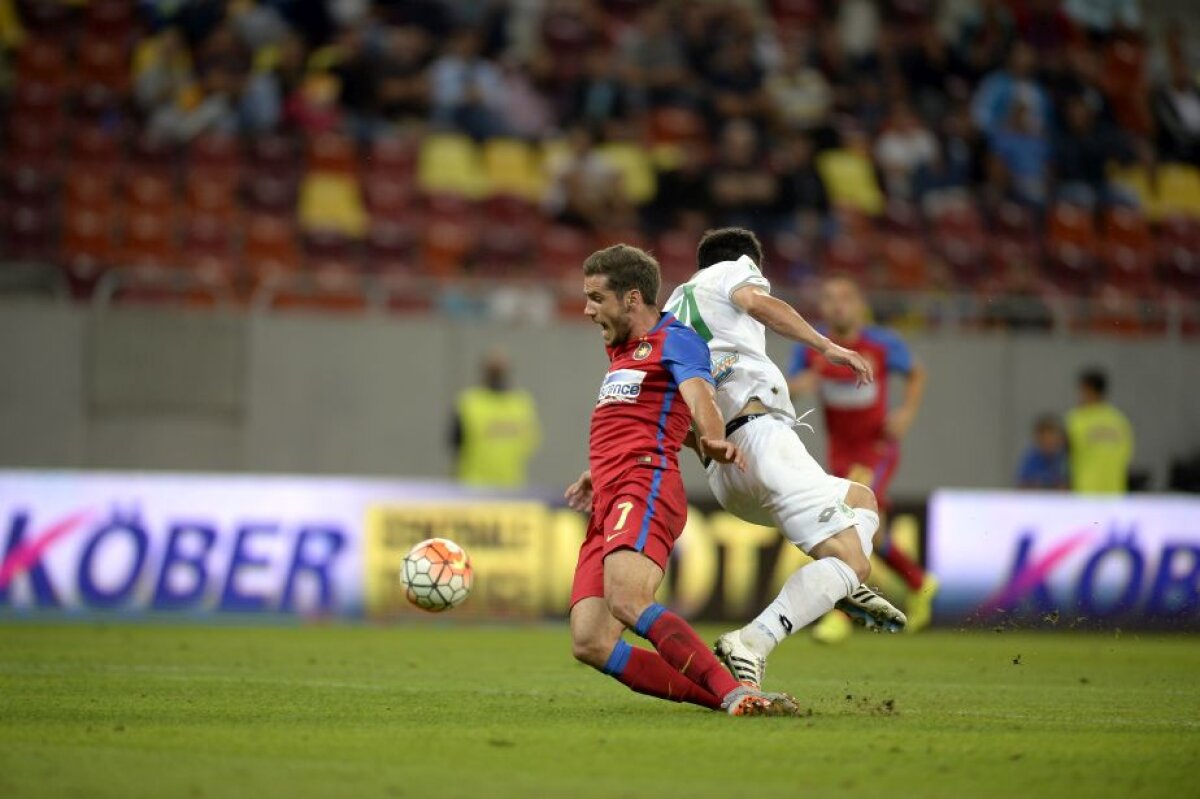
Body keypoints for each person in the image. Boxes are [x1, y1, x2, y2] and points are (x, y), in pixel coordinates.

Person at [663, 228, 907, 690]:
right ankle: (754, 640)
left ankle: (839, 589)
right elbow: (758, 304)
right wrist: (827, 346)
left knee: (862, 499)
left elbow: (676, 412)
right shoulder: (731, 270)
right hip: (762, 438)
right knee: (852, 562)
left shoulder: (670, 313)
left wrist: (710, 446)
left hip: (723, 471)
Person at [563, 244, 792, 717]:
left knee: (628, 600)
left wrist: (711, 438)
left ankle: (734, 692)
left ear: (631, 298)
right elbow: (635, 414)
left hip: (643, 485)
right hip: (610, 491)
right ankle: (732, 698)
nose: (587, 310)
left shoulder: (677, 338)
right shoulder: (621, 347)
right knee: (590, 641)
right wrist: (597, 470)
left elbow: (697, 395)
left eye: (595, 298)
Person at [788, 274, 937, 636]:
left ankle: (842, 615)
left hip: (876, 447)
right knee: (874, 534)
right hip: (839, 453)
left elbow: (917, 373)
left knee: (849, 523)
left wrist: (906, 412)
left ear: (858, 304)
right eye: (829, 298)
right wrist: (798, 385)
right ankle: (919, 582)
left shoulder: (883, 344)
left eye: (844, 297)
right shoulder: (812, 346)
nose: (837, 304)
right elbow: (788, 387)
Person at [450, 349, 541, 489]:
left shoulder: (470, 402)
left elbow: (455, 445)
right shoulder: (521, 404)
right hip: (478, 489)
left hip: (503, 489)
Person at [1065, 367, 1134, 494]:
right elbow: (1127, 456)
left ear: (1088, 389)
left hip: (1085, 492)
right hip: (1115, 491)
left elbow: (1066, 455)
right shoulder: (1120, 420)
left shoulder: (1076, 420)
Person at [1017, 414, 1070, 490]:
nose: (1048, 442)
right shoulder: (1031, 459)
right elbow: (1024, 486)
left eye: (1051, 438)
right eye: (1044, 439)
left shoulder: (1064, 459)